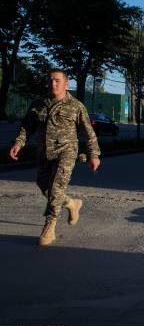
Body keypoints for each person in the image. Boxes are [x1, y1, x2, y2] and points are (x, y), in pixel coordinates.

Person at [8, 68, 101, 246]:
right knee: (45, 188)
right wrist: (18, 143)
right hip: (44, 153)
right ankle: (72, 204)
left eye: (57, 80)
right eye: (50, 80)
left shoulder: (76, 106)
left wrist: (94, 155)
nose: (53, 83)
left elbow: (89, 133)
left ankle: (49, 226)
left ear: (66, 84)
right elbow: (27, 127)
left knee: (56, 189)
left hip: (66, 152)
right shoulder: (38, 104)